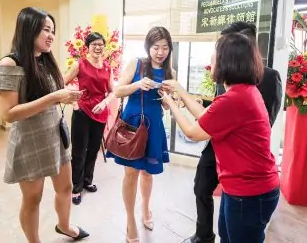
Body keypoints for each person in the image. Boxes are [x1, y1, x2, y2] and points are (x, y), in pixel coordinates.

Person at [161, 32, 280, 243]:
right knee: (227, 236)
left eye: (214, 55)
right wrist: (179, 89)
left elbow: (192, 132)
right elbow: (205, 115)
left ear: (226, 61)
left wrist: (170, 102)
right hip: (241, 188)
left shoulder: (234, 99)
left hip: (250, 193)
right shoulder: (244, 92)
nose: (210, 61)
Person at [0, 7, 89, 243]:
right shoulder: (10, 63)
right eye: (46, 29)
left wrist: (66, 94)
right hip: (29, 140)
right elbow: (9, 114)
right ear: (29, 28)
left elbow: (53, 92)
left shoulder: (45, 59)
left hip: (55, 135)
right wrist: (55, 97)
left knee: (65, 188)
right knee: (33, 198)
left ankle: (64, 226)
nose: (51, 35)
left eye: (53, 30)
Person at [106, 26, 173, 243]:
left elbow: (166, 106)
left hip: (154, 126)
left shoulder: (171, 73)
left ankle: (145, 210)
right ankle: (130, 220)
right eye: (156, 47)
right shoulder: (137, 63)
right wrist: (137, 84)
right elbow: (117, 90)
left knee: (147, 173)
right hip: (133, 124)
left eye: (165, 47)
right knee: (131, 174)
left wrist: (167, 98)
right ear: (148, 47)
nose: (160, 52)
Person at [63, 32, 114, 205]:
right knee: (79, 151)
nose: (98, 48)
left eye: (101, 44)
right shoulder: (80, 64)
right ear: (87, 47)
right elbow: (62, 81)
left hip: (100, 113)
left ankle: (87, 181)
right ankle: (76, 188)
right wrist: (73, 102)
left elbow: (112, 91)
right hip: (82, 112)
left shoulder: (108, 67)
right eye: (94, 44)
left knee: (93, 150)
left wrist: (105, 102)